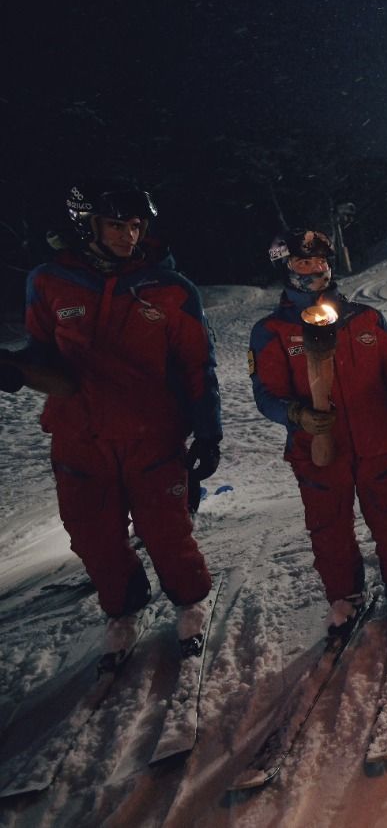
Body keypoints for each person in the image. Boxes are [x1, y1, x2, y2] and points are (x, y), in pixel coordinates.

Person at [13, 179, 221, 668]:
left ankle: (190, 604)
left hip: (152, 434)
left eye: (136, 226)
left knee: (165, 529)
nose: (129, 236)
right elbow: (41, 352)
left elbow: (198, 364)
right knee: (93, 534)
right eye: (116, 225)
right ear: (87, 226)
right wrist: (16, 368)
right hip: (79, 436)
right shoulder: (48, 282)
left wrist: (208, 432)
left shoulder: (170, 289)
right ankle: (123, 609)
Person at [249, 229, 387, 633]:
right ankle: (345, 596)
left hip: (377, 441)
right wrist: (297, 415)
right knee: (329, 527)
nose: (315, 270)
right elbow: (266, 394)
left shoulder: (365, 319)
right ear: (286, 268)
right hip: (319, 448)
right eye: (303, 262)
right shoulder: (273, 330)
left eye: (320, 261)